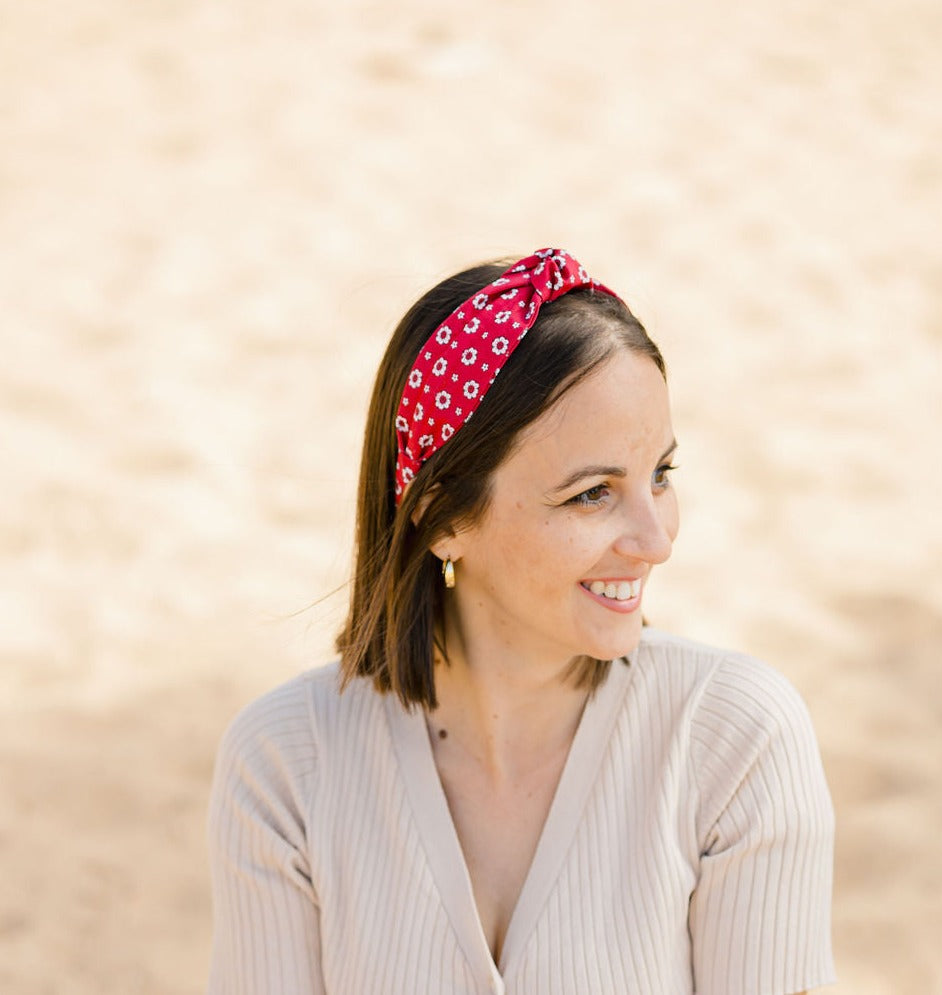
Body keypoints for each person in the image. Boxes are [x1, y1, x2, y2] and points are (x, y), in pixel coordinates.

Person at [207, 248, 835, 994]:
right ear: (442, 516)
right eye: (591, 493)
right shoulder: (284, 768)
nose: (656, 540)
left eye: (660, 476)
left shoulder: (734, 742)